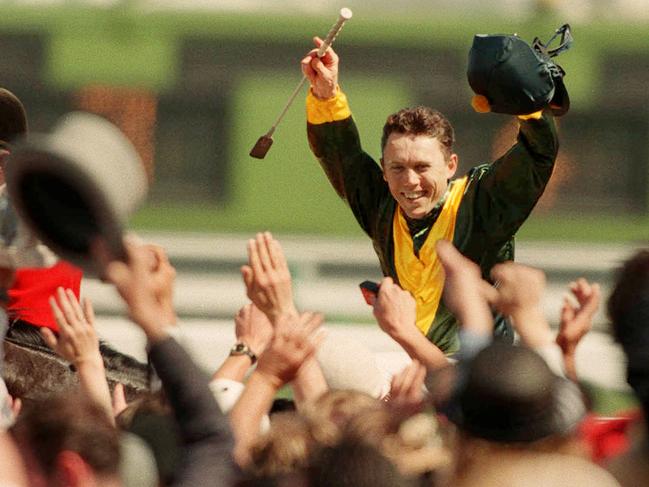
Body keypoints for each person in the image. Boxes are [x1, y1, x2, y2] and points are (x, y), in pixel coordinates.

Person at [301, 37, 559, 354]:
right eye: (398, 167)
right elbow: (340, 153)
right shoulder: (380, 205)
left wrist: (530, 106)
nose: (410, 182)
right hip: (412, 367)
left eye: (423, 167)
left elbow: (536, 156)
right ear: (382, 169)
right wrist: (326, 95)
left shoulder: (481, 203)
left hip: (481, 376)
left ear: (451, 165)